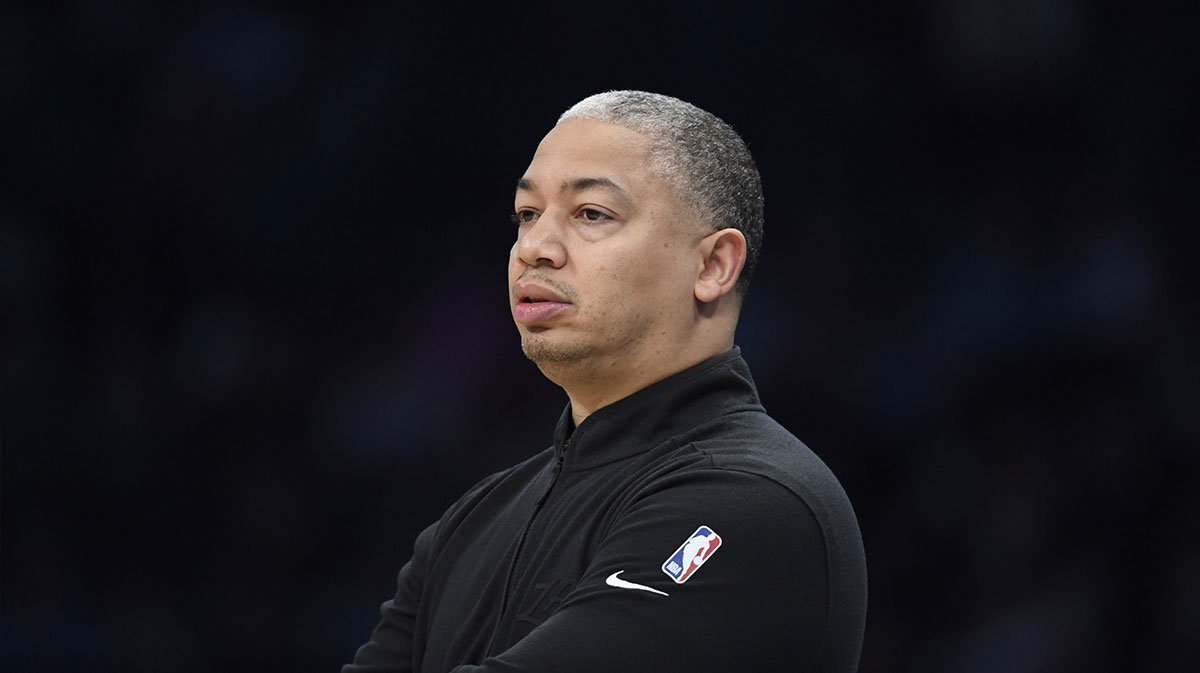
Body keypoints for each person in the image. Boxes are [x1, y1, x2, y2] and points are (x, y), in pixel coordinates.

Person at [343, 90, 867, 672]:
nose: (533, 249)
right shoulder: (468, 524)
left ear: (713, 265)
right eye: (526, 214)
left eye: (592, 213)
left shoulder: (758, 503)